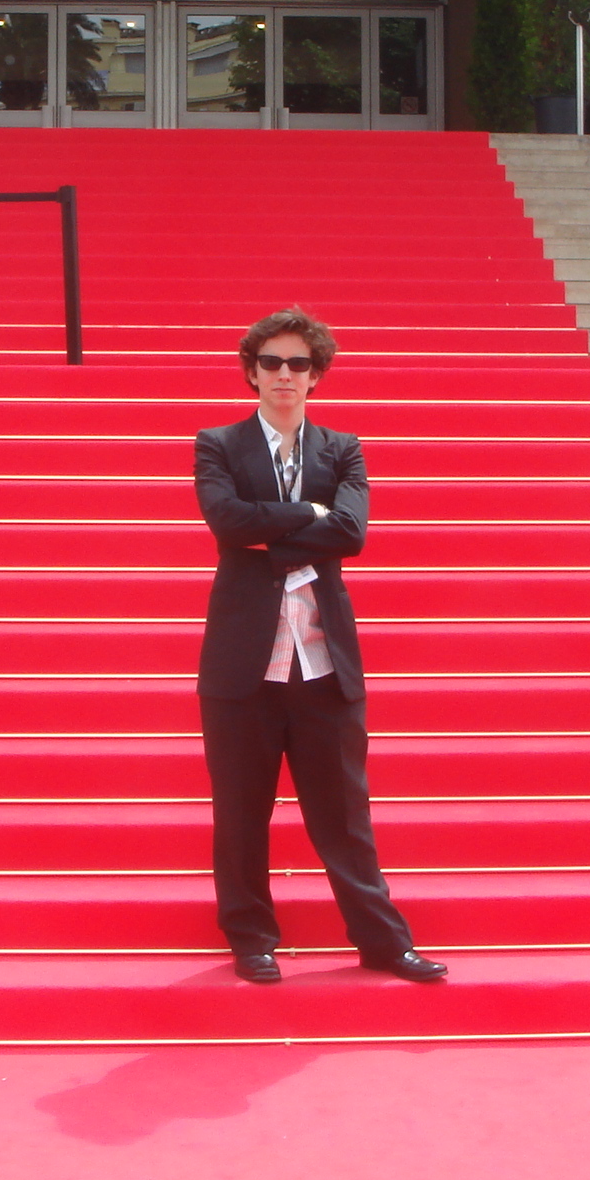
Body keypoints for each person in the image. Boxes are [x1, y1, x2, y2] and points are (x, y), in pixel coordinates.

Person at [192, 308, 445, 986]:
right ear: (252, 372)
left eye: (298, 364)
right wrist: (309, 515)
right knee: (240, 814)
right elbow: (225, 520)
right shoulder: (218, 444)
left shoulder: (344, 450)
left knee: (345, 815)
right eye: (271, 362)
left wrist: (265, 534)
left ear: (316, 375)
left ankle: (382, 942)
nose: (284, 374)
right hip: (242, 667)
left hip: (323, 665)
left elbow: (353, 535)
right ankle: (251, 938)